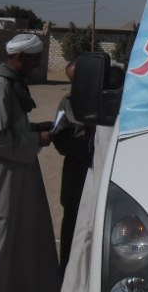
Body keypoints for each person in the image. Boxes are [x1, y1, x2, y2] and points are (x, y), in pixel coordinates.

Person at [0, 33, 61, 292]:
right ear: (20, 57)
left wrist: (34, 128)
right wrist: (35, 139)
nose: (36, 65)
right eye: (34, 59)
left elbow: (8, 125)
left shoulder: (9, 84)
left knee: (13, 243)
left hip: (11, 179)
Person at [52, 60, 94, 276]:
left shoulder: (107, 102)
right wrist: (78, 146)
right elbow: (58, 136)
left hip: (98, 173)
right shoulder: (66, 103)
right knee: (71, 226)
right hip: (75, 173)